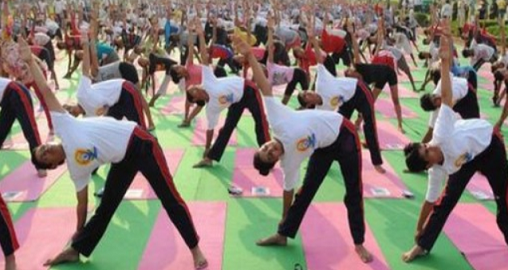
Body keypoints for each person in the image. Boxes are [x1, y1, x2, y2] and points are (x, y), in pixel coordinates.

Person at [19, 37, 208, 269]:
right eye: (44, 156)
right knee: (105, 208)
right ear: (53, 165)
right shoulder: (76, 170)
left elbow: (46, 91)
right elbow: (82, 204)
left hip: (140, 143)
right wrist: (76, 238)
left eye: (42, 148)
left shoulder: (63, 126)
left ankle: (195, 248)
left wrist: (31, 61)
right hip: (122, 160)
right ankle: (76, 250)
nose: (46, 149)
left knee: (169, 197)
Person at [233, 35, 373, 263]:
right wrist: (284, 219)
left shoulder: (277, 121)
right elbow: (288, 191)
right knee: (305, 192)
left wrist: (250, 55)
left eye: (265, 147)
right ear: (276, 160)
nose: (271, 148)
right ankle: (283, 235)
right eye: (270, 154)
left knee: (353, 191)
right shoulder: (290, 163)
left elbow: (264, 86)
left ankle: (359, 242)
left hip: (344, 134)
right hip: (322, 148)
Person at [401, 25, 508, 262]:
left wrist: (446, 63)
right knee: (444, 205)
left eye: (425, 145)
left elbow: (447, 98)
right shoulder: (437, 171)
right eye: (426, 152)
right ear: (429, 165)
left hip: (490, 147)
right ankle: (423, 246)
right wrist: (419, 232)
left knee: (502, 195)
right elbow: (431, 200)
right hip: (465, 162)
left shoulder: (442, 132)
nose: (429, 146)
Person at [297, 23, 385, 173]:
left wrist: (312, 40)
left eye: (306, 91)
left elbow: (319, 59)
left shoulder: (321, 82)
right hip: (346, 102)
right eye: (306, 96)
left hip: (359, 90)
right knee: (336, 129)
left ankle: (376, 161)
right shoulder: (321, 109)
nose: (309, 93)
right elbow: (319, 129)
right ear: (308, 103)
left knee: (369, 124)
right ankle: (323, 159)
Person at [189, 24, 270, 168]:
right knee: (226, 129)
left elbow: (204, 57)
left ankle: (268, 154)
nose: (195, 86)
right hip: (236, 101)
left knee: (260, 121)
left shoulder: (207, 81)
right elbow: (210, 129)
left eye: (193, 86)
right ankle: (210, 158)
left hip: (248, 90)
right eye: (192, 90)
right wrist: (207, 149)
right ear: (196, 98)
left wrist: (201, 35)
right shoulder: (211, 109)